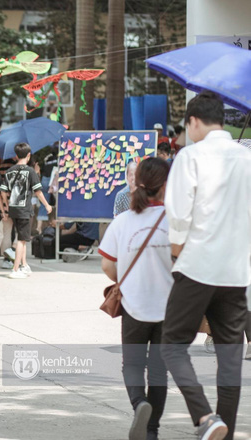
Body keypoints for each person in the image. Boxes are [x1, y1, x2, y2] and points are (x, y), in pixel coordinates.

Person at [161, 91, 251, 440]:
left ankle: (204, 416)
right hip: (235, 270)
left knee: (172, 344)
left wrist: (176, 251)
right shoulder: (246, 159)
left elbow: (179, 214)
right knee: (230, 357)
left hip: (197, 264)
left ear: (194, 121)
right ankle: (223, 433)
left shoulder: (190, 156)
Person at [99, 158, 172, 440]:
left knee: (132, 365)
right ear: (165, 185)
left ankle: (139, 404)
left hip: (133, 306)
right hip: (169, 309)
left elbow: (107, 266)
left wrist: (127, 277)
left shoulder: (123, 221)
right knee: (158, 370)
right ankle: (152, 430)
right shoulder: (175, 220)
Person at [0, 143, 52, 279]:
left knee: (20, 237)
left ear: (16, 156)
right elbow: (38, 191)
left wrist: (6, 205)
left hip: (13, 208)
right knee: (22, 240)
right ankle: (15, 269)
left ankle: (24, 265)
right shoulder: (30, 171)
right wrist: (47, 205)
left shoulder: (10, 171)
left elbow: (3, 190)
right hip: (24, 209)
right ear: (28, 156)